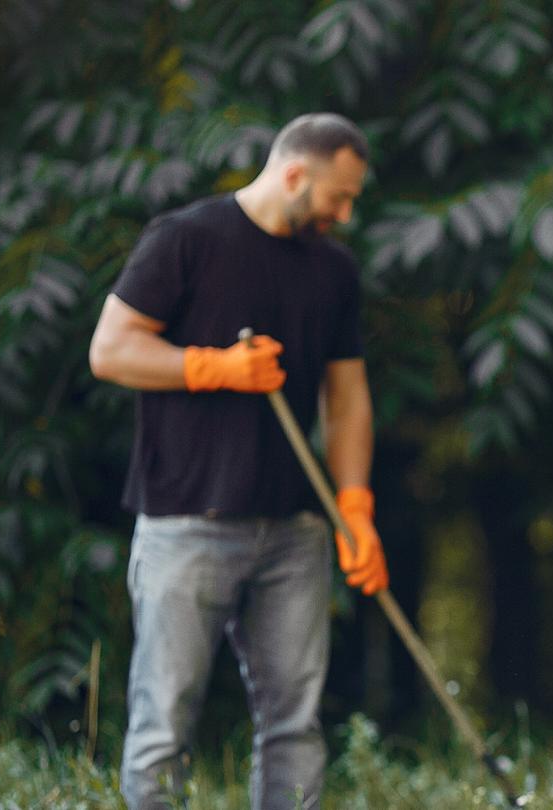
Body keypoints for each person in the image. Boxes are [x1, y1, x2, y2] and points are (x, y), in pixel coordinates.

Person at [87, 112, 388, 810]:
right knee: (164, 721)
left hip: (295, 530)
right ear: (293, 174)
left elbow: (347, 399)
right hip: (185, 521)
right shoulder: (185, 239)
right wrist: (210, 366)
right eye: (337, 197)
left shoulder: (333, 270)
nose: (345, 213)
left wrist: (355, 506)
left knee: (295, 726)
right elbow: (111, 349)